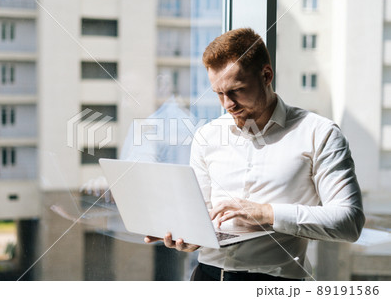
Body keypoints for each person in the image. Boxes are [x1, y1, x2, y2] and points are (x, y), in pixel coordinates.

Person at [145, 28, 365, 281]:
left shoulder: (319, 133)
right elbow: (203, 216)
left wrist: (265, 213)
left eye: (236, 90)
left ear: (266, 75)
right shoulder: (207, 136)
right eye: (219, 93)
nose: (228, 104)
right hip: (206, 278)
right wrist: (188, 238)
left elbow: (349, 222)